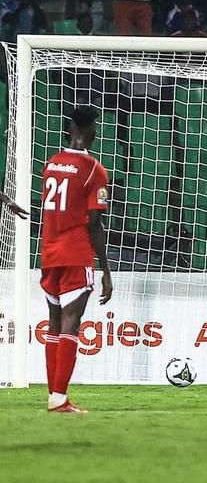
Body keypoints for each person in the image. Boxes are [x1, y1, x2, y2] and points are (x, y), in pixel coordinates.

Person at [39, 106, 113, 413]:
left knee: (54, 324)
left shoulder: (52, 163)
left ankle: (54, 396)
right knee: (71, 323)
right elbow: (94, 222)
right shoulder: (94, 169)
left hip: (48, 252)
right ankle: (59, 398)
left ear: (70, 129)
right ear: (92, 131)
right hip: (75, 251)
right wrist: (106, 268)